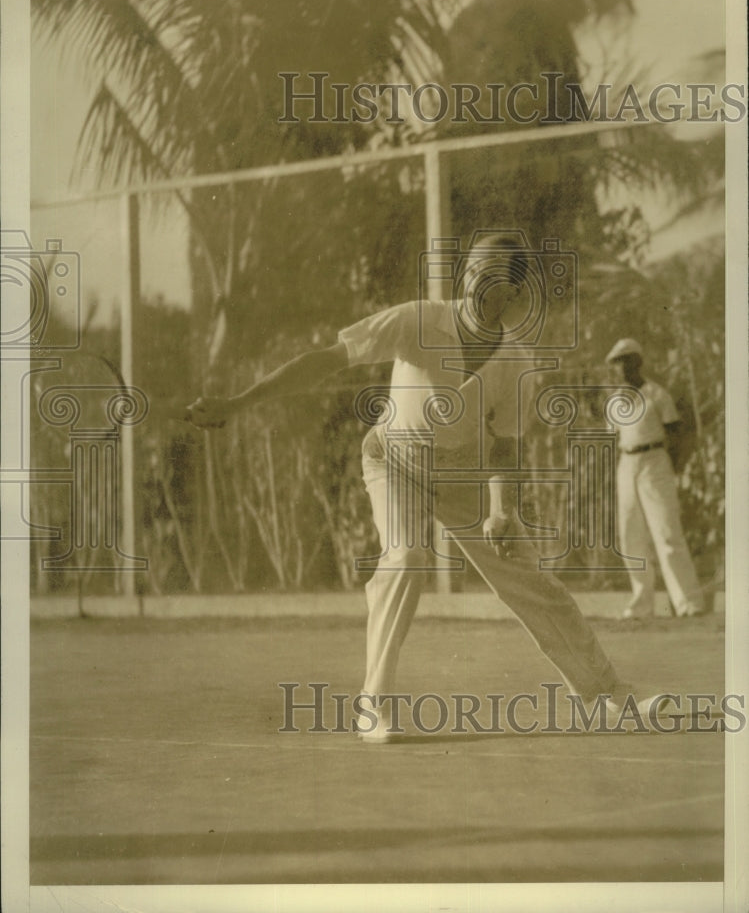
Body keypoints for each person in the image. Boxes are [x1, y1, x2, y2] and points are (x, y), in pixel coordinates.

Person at [189, 235, 661, 742]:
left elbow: (504, 447)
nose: (478, 280)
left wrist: (501, 511)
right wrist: (238, 403)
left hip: (463, 476)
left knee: (533, 583)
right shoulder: (418, 320)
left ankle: (608, 697)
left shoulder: (517, 362)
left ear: (514, 291)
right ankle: (374, 705)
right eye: (474, 269)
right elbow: (327, 359)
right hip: (394, 462)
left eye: (493, 273)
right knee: (409, 557)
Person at [605, 338, 705, 620]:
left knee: (667, 531)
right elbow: (613, 438)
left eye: (626, 360)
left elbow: (675, 432)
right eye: (617, 362)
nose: (622, 367)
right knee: (630, 534)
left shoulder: (656, 394)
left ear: (638, 362)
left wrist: (673, 465)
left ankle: (688, 602)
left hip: (654, 461)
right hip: (627, 463)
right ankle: (641, 604)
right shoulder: (616, 401)